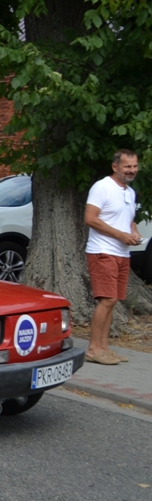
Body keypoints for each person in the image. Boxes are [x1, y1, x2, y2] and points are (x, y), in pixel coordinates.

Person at [84, 149, 141, 365]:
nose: (132, 170)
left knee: (113, 301)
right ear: (115, 166)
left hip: (122, 253)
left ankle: (104, 348)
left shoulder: (129, 191)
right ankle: (92, 349)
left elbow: (129, 219)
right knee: (106, 299)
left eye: (135, 166)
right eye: (127, 166)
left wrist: (133, 232)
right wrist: (120, 235)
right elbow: (90, 218)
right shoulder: (102, 187)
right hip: (103, 251)